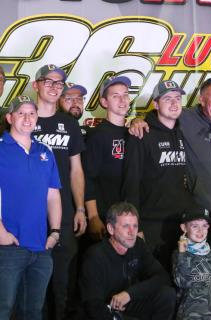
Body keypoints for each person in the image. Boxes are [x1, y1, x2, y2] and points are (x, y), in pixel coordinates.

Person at [129, 77, 211, 236]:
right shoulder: (185, 118)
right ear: (202, 100)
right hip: (197, 219)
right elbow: (160, 116)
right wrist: (137, 120)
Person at [32, 64, 87, 319]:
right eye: (48, 82)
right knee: (33, 283)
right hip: (29, 214)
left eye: (59, 83)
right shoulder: (24, 118)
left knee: (63, 282)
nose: (54, 87)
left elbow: (76, 170)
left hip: (65, 213)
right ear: (36, 85)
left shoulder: (70, 124)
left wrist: (79, 208)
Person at [0, 95, 62, 320]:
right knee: (3, 310)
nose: (27, 118)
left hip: (41, 248)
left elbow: (53, 195)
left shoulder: (44, 151)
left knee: (33, 312)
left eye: (32, 113)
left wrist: (54, 232)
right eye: (21, 113)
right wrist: (1, 233)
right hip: (8, 247)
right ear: (9, 117)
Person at [122, 80, 194, 270]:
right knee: (157, 281)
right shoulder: (141, 133)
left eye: (178, 98)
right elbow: (131, 183)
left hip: (180, 224)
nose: (174, 103)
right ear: (155, 103)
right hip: (151, 224)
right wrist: (136, 227)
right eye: (167, 99)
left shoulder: (183, 132)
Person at [79, 202, 176, 320]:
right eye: (126, 226)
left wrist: (129, 294)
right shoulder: (95, 256)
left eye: (135, 226)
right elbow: (92, 305)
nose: (132, 232)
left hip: (128, 304)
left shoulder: (138, 245)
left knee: (167, 294)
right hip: (105, 311)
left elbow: (163, 277)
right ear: (110, 228)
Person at [83, 76, 131, 242]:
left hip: (130, 217)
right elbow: (88, 178)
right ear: (104, 102)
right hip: (105, 217)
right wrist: (93, 217)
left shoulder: (134, 133)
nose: (122, 100)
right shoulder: (97, 136)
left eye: (125, 94)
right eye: (115, 96)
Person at [172, 206, 211, 319]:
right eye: (195, 226)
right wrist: (182, 253)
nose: (201, 230)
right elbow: (182, 282)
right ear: (184, 228)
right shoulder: (179, 254)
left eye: (204, 226)